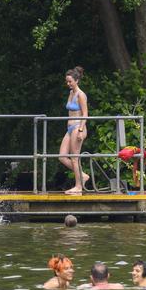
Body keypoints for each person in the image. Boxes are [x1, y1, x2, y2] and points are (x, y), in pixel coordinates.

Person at [58, 66, 90, 195]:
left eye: (70, 81)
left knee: (74, 158)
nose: (68, 84)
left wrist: (81, 130)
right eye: (67, 81)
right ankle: (83, 175)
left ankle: (78, 186)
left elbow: (85, 114)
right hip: (70, 128)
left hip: (78, 127)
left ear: (76, 80)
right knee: (62, 156)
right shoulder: (71, 93)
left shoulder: (81, 95)